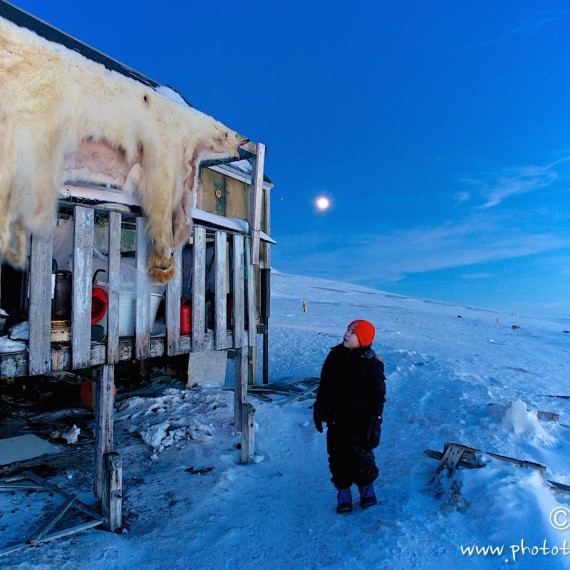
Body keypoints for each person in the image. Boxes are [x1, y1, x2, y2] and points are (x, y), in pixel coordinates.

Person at [313, 319, 386, 513]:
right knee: (337, 458)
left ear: (363, 339)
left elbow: (378, 397)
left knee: (361, 458)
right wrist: (319, 406)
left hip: (359, 423)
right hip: (336, 421)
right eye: (347, 330)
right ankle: (343, 492)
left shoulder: (371, 364)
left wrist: (375, 420)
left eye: (352, 333)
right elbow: (324, 385)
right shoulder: (335, 356)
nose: (346, 334)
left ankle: (366, 489)